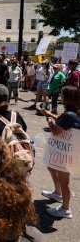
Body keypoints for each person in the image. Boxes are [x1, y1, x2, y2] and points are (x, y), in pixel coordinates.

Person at [40, 86, 80, 219]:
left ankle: (65, 209)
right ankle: (57, 193)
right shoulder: (73, 113)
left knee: (65, 180)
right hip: (64, 150)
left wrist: (49, 121)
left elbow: (56, 131)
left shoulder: (69, 114)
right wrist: (51, 115)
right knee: (51, 166)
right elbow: (65, 122)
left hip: (65, 152)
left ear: (67, 98)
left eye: (62, 94)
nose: (60, 96)